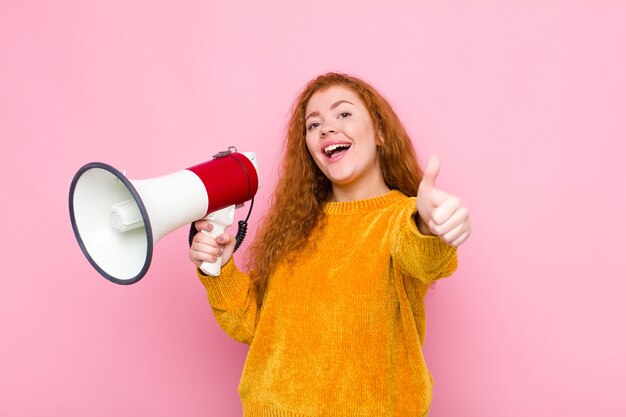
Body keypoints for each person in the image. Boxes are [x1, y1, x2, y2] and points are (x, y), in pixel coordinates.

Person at [188, 72, 471, 417]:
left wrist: (430, 224)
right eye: (313, 124)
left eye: (344, 114)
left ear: (380, 132)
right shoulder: (294, 227)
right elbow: (255, 327)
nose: (326, 129)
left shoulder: (401, 219)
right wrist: (219, 268)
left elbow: (422, 255)